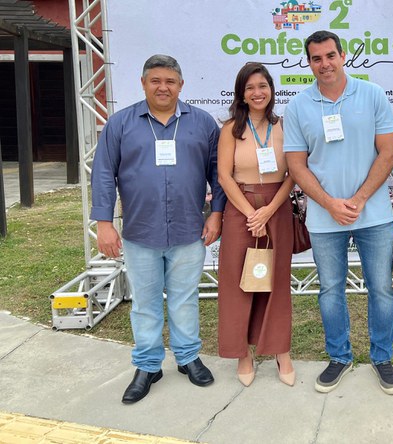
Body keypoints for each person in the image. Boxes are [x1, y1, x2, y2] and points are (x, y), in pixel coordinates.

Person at [90, 54, 225, 404]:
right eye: (155, 80)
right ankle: (148, 365)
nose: (163, 87)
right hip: (140, 232)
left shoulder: (203, 123)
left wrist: (216, 213)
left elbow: (218, 172)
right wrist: (104, 224)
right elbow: (104, 174)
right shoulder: (121, 124)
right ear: (143, 83)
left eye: (170, 81)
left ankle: (188, 357)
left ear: (181, 85)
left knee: (184, 300)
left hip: (188, 229)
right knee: (145, 303)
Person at [283, 30, 393, 395]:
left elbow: (388, 152)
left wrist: (361, 198)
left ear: (343, 55)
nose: (325, 64)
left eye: (330, 55)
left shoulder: (372, 94)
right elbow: (296, 165)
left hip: (375, 213)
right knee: (331, 290)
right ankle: (339, 356)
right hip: (323, 216)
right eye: (316, 58)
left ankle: (382, 358)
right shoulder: (299, 105)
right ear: (308, 62)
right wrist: (331, 203)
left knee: (381, 289)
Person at [216, 62, 295, 388]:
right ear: (242, 94)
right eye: (250, 88)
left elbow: (294, 174)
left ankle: (281, 351)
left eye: (263, 86)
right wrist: (252, 213)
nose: (257, 92)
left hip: (277, 208)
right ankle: (242, 353)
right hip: (240, 209)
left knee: (275, 281)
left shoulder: (284, 126)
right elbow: (224, 176)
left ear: (272, 90)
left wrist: (268, 211)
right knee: (239, 282)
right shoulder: (231, 129)